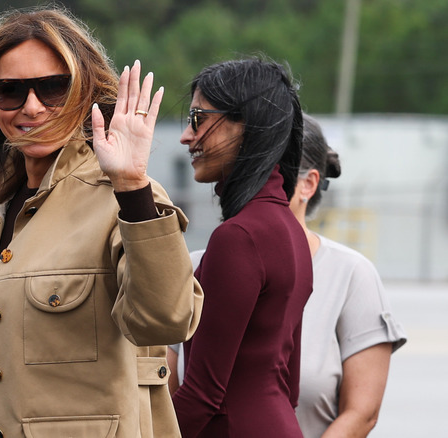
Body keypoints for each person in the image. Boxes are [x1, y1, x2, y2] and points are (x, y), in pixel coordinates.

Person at [0, 7, 203, 438]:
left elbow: (166, 321)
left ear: (84, 93)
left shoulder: (126, 199)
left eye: (53, 88)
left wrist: (131, 185)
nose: (31, 107)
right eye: (10, 91)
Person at [170, 57, 312, 438]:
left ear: (247, 125)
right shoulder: (291, 230)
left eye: (198, 119)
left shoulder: (239, 237)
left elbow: (202, 395)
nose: (186, 136)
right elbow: (289, 387)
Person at [291, 114, 407, 438]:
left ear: (308, 184)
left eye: (266, 169)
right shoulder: (195, 268)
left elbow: (362, 412)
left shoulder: (350, 274)